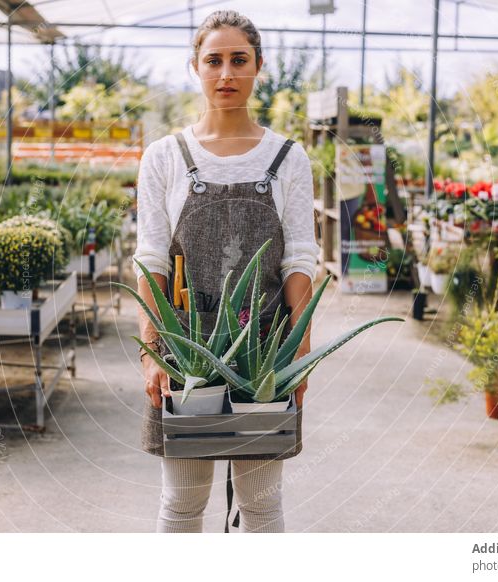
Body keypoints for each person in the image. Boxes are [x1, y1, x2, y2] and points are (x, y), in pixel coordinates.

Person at [132, 9, 320, 533]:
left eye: (239, 60)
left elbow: (299, 259)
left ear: (259, 66)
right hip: (184, 347)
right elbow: (151, 261)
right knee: (181, 506)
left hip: (264, 349)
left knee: (262, 506)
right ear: (195, 66)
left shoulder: (288, 158)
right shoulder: (164, 157)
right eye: (214, 61)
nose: (226, 74)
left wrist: (299, 353)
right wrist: (151, 351)